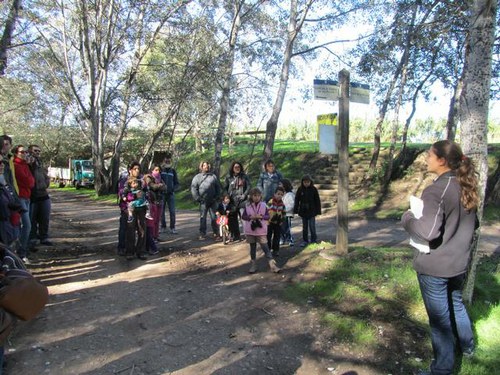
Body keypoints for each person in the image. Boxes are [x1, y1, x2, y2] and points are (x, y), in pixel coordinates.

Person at [401, 140, 478, 375]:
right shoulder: (466, 185)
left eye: (430, 155)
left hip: (435, 267)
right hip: (457, 264)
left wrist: (407, 218)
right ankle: (468, 347)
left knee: (439, 322)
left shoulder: (436, 190)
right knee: (456, 304)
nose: (427, 159)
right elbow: (473, 224)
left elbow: (428, 231)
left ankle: (442, 369)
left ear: (442, 161)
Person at [241, 188, 280, 274]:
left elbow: (267, 216)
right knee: (253, 248)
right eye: (255, 196)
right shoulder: (247, 205)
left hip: (261, 231)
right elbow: (243, 217)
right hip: (250, 231)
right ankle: (253, 265)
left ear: (261, 196)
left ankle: (272, 265)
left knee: (265, 248)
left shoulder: (263, 205)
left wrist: (261, 217)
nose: (256, 197)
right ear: (251, 196)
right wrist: (250, 217)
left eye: (258, 196)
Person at [120, 161, 147, 260]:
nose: (137, 170)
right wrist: (134, 196)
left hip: (141, 209)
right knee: (130, 231)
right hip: (130, 209)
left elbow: (146, 192)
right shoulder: (125, 181)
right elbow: (122, 194)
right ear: (130, 170)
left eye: (138, 169)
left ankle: (141, 251)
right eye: (135, 169)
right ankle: (129, 252)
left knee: (142, 230)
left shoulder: (141, 181)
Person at [12, 145, 35, 263]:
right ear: (16, 153)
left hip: (27, 197)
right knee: (26, 225)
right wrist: (30, 181)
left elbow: (32, 180)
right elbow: (28, 181)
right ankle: (21, 253)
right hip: (20, 198)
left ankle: (21, 251)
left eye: (26, 152)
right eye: (22, 152)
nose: (25, 154)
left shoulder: (25, 165)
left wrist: (30, 181)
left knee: (26, 225)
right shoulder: (15, 165)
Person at [28, 145, 52, 248]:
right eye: (35, 150)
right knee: (32, 218)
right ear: (30, 151)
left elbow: (45, 175)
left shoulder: (40, 163)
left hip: (44, 194)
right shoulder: (29, 163)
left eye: (39, 151)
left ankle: (44, 237)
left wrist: (46, 182)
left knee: (45, 217)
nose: (37, 152)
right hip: (33, 195)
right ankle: (32, 238)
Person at [191, 161, 221, 240]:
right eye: (204, 165)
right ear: (201, 167)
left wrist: (217, 197)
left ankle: (216, 233)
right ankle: (202, 234)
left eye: (207, 165)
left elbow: (218, 187)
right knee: (202, 217)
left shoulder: (213, 176)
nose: (206, 166)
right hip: (203, 201)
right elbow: (194, 188)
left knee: (214, 217)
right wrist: (197, 198)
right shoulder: (197, 177)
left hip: (213, 201)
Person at [224, 161, 251, 241]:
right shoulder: (228, 177)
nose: (237, 169)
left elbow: (249, 186)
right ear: (232, 168)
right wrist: (227, 197)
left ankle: (247, 235)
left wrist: (245, 195)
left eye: (238, 167)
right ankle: (236, 235)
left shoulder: (244, 176)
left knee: (244, 218)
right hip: (232, 201)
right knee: (233, 219)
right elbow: (225, 189)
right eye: (235, 167)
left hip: (242, 200)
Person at [294, 175, 321, 247]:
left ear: (310, 182)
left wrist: (318, 211)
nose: (306, 183)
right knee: (304, 227)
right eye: (304, 182)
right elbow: (297, 200)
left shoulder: (314, 189)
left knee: (312, 226)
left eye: (308, 182)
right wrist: (295, 210)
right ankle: (305, 240)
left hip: (312, 211)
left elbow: (317, 200)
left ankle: (313, 240)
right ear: (302, 182)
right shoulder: (300, 189)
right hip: (303, 211)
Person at [160, 154, 179, 234]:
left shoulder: (173, 171)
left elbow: (177, 183)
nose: (167, 161)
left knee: (172, 211)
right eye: (166, 160)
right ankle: (163, 227)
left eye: (169, 160)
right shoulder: (160, 171)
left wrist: (173, 189)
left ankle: (172, 227)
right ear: (163, 161)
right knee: (161, 212)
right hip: (162, 194)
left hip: (170, 194)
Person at [267, 186, 285, 257]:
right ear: (274, 194)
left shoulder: (282, 204)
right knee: (268, 236)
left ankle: (276, 250)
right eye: (278, 194)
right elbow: (266, 211)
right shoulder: (270, 202)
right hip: (270, 223)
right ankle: (268, 250)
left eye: (281, 194)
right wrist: (267, 220)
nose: (279, 196)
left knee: (277, 237)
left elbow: (284, 213)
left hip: (278, 223)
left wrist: (282, 221)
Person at [280, 178, 295, 247]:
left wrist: (284, 210)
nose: (279, 186)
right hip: (281, 214)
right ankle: (282, 239)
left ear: (285, 186)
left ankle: (290, 240)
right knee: (281, 227)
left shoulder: (290, 194)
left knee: (288, 228)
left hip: (287, 214)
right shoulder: (281, 194)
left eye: (281, 184)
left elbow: (291, 205)